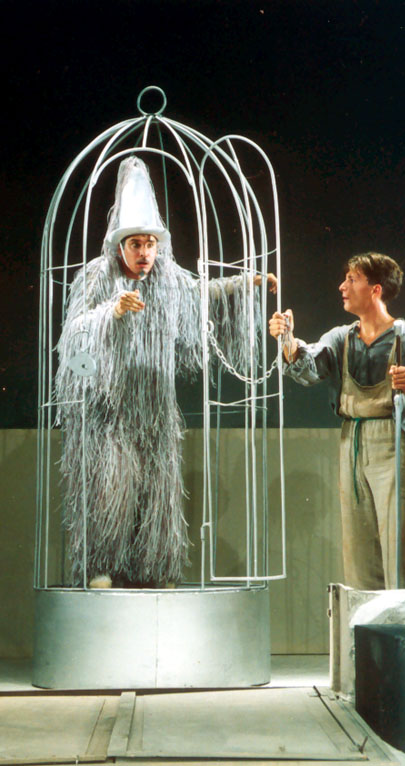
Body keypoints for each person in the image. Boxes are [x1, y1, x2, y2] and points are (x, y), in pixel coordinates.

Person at [56, 155, 276, 589]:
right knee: (110, 489)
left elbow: (200, 292)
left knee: (159, 492)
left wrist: (244, 284)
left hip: (156, 406)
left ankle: (156, 569)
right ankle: (101, 567)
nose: (144, 253)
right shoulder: (96, 277)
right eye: (136, 244)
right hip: (109, 410)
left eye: (150, 244)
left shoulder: (168, 278)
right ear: (120, 245)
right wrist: (112, 312)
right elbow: (74, 334)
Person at [269, 252, 405, 590]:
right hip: (351, 441)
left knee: (399, 548)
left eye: (352, 279)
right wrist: (288, 341)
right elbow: (309, 367)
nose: (342, 286)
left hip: (393, 442)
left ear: (375, 289)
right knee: (358, 551)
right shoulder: (341, 337)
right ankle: (366, 623)